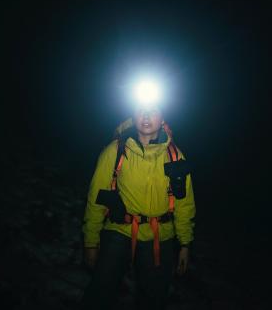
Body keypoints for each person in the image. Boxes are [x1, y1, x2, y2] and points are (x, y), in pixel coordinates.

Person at [81, 105, 196, 309]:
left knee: (153, 299)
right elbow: (96, 199)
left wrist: (185, 244)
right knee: (99, 294)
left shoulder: (175, 156)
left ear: (162, 118)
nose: (145, 116)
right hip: (120, 229)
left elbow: (184, 203)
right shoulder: (116, 151)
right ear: (133, 115)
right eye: (141, 110)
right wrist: (91, 242)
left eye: (153, 111)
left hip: (160, 235)